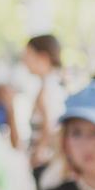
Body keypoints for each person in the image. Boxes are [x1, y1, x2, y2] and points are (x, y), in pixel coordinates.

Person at [23, 34, 66, 180]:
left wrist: (39, 152)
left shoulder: (47, 88)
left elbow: (49, 124)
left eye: (28, 55)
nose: (25, 61)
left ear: (43, 57)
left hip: (45, 160)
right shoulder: (56, 82)